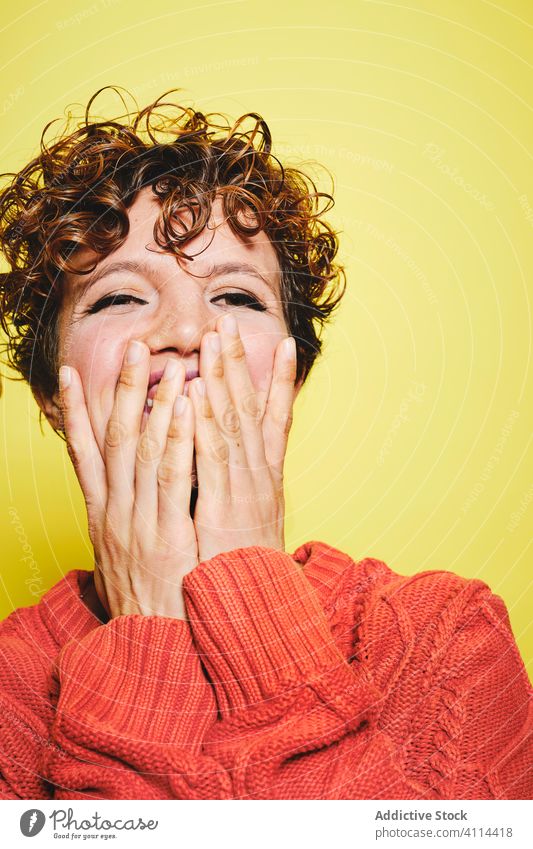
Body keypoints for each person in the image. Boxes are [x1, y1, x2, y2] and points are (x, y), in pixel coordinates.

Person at [0, 90, 530, 801]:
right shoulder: (12, 687)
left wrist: (249, 598)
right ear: (52, 395)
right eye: (118, 297)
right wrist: (147, 631)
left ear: (293, 373)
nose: (187, 330)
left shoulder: (444, 638)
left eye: (237, 298)